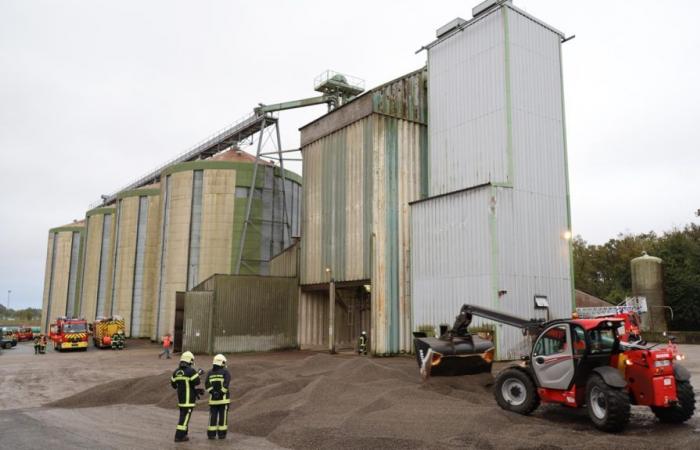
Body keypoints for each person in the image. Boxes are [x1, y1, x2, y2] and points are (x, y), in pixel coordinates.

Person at [170, 351, 202, 442]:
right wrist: (198, 373)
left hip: (181, 399)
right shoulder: (191, 371)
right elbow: (197, 382)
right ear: (189, 360)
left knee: (183, 416)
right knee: (185, 418)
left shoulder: (176, 372)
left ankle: (184, 435)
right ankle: (179, 436)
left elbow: (174, 385)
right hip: (189, 400)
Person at [205, 354, 231, 440]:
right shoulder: (225, 372)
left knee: (213, 417)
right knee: (223, 418)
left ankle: (211, 434)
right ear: (221, 362)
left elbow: (207, 385)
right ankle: (221, 434)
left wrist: (213, 393)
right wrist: (220, 393)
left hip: (213, 400)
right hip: (223, 400)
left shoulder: (209, 373)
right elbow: (226, 384)